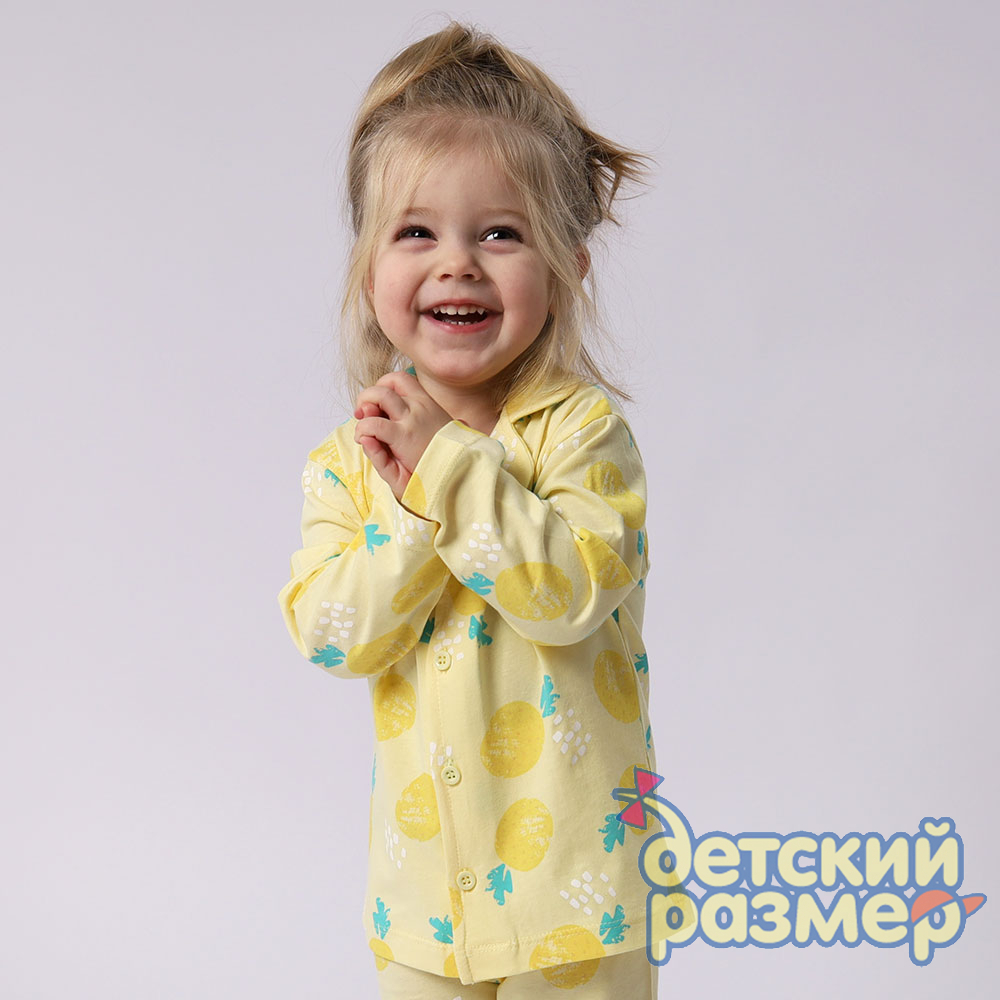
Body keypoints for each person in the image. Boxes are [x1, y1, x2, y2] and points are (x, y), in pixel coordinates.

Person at [278, 22, 660, 999]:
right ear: (368, 270)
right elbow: (332, 634)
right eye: (416, 232)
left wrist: (444, 467)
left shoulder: (581, 435)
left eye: (500, 233)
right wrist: (411, 505)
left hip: (576, 900)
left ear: (567, 269)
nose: (457, 264)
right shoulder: (349, 463)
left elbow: (565, 594)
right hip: (426, 906)